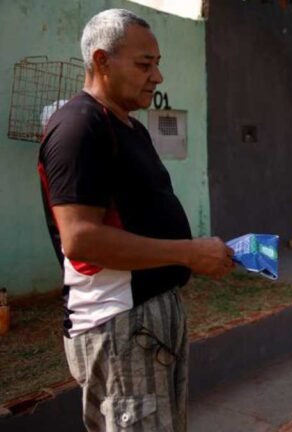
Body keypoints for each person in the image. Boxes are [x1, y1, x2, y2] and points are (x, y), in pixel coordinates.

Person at [37, 9, 234, 431]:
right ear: (102, 61)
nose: (158, 76)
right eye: (145, 64)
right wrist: (188, 253)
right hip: (119, 323)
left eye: (158, 63)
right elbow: (80, 238)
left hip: (148, 321)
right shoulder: (79, 126)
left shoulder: (128, 127)